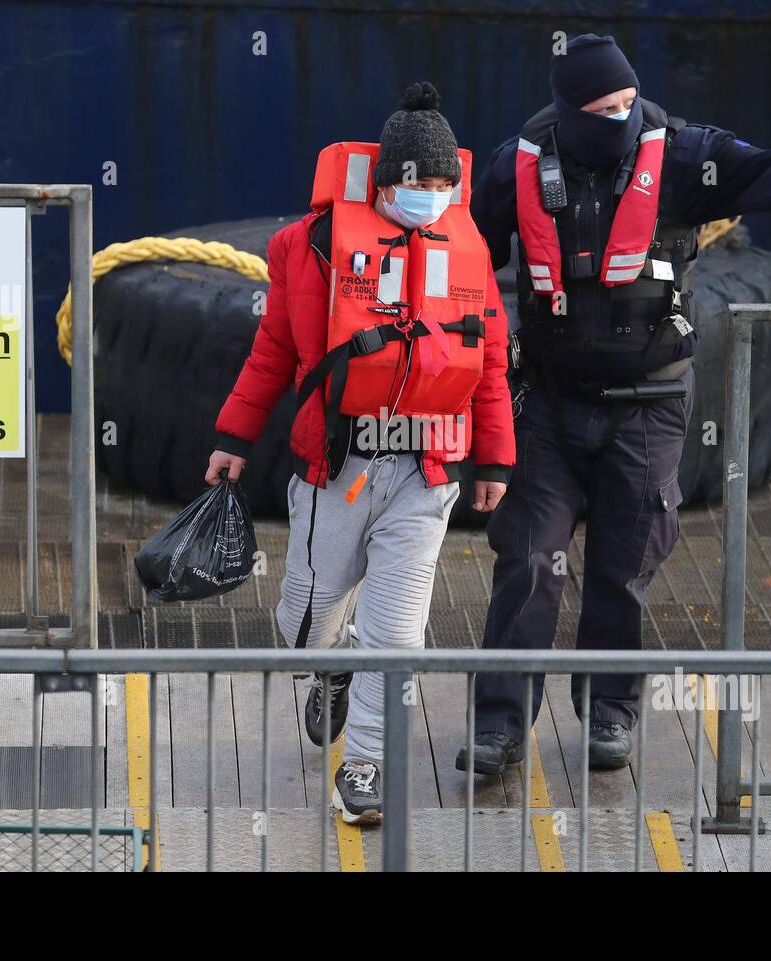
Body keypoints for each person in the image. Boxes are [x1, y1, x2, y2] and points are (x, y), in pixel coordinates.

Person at [458, 34, 771, 774]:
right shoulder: (519, 164)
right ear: (568, 110)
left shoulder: (681, 154)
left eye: (627, 102)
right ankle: (500, 723)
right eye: (603, 109)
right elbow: (463, 253)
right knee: (529, 561)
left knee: (622, 569)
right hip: (545, 403)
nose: (621, 117)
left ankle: (610, 710)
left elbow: (768, 171)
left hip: (651, 405)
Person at [208, 82, 515, 823]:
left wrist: (496, 460)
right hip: (336, 469)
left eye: (447, 185)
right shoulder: (306, 248)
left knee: (399, 632)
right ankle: (330, 662)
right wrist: (233, 437)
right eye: (422, 184)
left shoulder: (466, 251)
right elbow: (273, 349)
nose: (434, 198)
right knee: (304, 623)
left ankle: (367, 766)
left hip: (425, 474)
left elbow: (493, 359)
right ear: (386, 183)